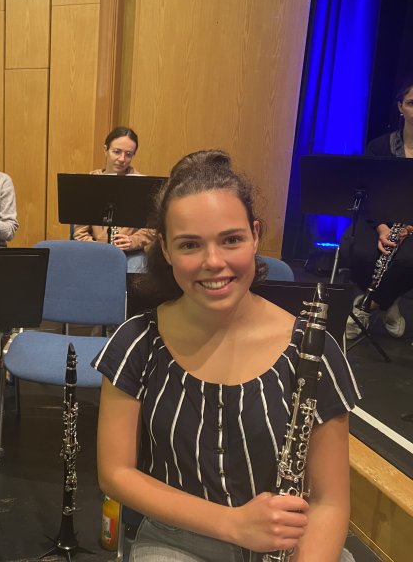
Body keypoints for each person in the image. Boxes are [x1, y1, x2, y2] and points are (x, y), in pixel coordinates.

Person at [94, 150, 360, 561]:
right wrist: (234, 524)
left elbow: (329, 502)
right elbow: (115, 474)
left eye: (231, 239)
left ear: (255, 236)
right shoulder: (137, 342)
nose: (213, 262)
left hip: (291, 540)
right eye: (190, 245)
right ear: (165, 249)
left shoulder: (313, 350)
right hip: (177, 537)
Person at [344, 77, 413, 340]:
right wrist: (383, 228)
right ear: (400, 107)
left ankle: (369, 305)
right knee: (356, 250)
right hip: (379, 217)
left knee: (408, 260)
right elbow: (369, 192)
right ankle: (389, 303)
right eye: (411, 103)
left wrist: (409, 227)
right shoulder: (380, 146)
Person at [72, 126, 156, 272]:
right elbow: (80, 232)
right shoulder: (89, 183)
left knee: (135, 272)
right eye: (117, 152)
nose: (122, 159)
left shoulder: (142, 184)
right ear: (105, 150)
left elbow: (151, 229)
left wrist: (132, 241)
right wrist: (99, 248)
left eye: (128, 154)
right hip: (94, 249)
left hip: (130, 252)